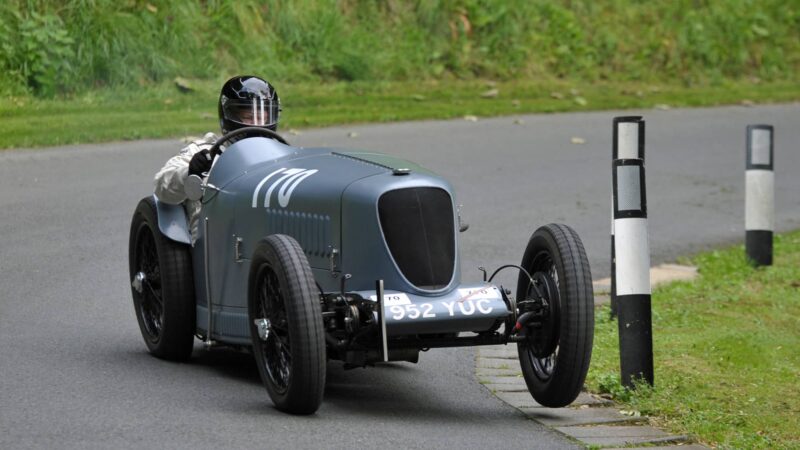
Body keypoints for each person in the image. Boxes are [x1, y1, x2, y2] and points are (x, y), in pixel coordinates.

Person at [153, 75, 281, 243]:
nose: (257, 124)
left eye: (263, 117)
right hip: (215, 244)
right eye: (249, 117)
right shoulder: (203, 152)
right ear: (229, 115)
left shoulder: (281, 154)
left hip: (274, 243)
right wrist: (190, 172)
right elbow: (161, 188)